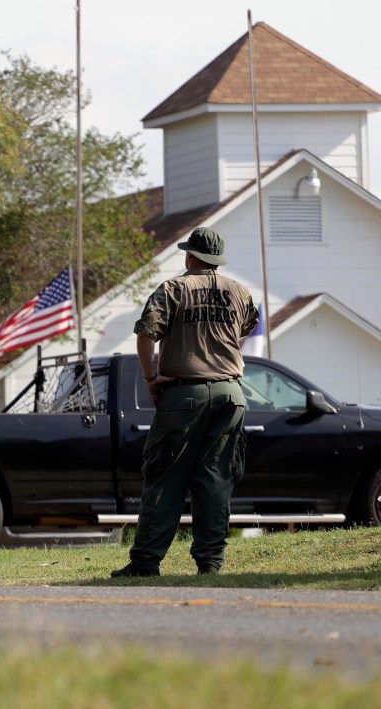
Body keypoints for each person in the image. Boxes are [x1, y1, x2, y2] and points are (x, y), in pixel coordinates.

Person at [112, 227, 258, 579]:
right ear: (217, 260)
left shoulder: (174, 289)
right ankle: (210, 563)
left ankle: (146, 563)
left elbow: (146, 334)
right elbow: (248, 327)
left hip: (184, 393)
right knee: (215, 480)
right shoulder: (240, 292)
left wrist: (150, 378)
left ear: (191, 256)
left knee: (164, 477)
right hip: (230, 393)